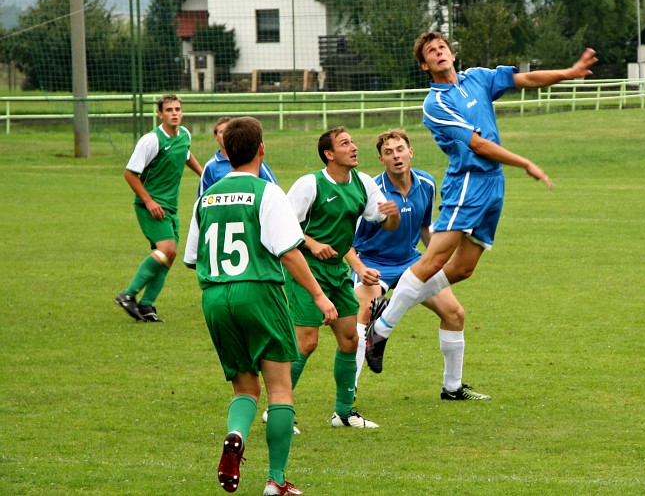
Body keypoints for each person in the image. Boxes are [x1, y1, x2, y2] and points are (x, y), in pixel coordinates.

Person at [366, 31, 597, 372]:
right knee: (435, 259)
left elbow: (526, 79)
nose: (439, 52)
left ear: (452, 53)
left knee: (463, 268)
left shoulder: (477, 78)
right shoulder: (435, 104)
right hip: (468, 182)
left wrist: (569, 72)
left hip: (493, 184)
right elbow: (477, 145)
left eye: (442, 47)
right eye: (431, 51)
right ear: (424, 65)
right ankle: (380, 331)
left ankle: (391, 309)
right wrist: (525, 162)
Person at [184, 116, 337, 496]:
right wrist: (319, 296)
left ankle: (236, 434)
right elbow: (289, 252)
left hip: (215, 297)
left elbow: (191, 258)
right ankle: (276, 480)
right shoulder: (268, 193)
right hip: (258, 293)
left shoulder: (206, 197)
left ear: (225, 151)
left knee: (244, 388)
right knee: (280, 389)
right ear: (261, 149)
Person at [347, 129, 490, 401]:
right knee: (363, 315)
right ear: (381, 159)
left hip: (411, 261)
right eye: (388, 152)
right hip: (373, 263)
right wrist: (360, 269)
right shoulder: (371, 191)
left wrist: (438, 258)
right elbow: (348, 241)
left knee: (455, 314)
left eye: (400, 149)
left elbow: (425, 228)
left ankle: (452, 388)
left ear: (410, 152)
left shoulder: (426, 183)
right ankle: (348, 391)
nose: (396, 156)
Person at [285, 126, 400, 429]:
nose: (354, 147)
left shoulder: (363, 183)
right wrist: (312, 244)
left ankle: (344, 414)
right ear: (329, 154)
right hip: (305, 269)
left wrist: (393, 215)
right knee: (306, 342)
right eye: (345, 143)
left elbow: (387, 223)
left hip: (337, 271)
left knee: (350, 340)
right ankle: (278, 410)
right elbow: (282, 226)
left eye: (353, 142)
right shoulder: (309, 184)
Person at [115, 94, 203, 322]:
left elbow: (186, 154)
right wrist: (149, 201)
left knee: (169, 256)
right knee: (167, 249)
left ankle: (146, 305)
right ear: (160, 114)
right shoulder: (151, 140)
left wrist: (204, 174)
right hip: (151, 207)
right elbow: (130, 174)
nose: (174, 113)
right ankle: (128, 295)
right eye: (169, 110)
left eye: (177, 109)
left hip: (171, 207)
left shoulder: (185, 135)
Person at [199, 116, 278, 197]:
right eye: (221, 132)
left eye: (227, 132)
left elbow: (273, 189)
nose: (225, 135)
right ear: (215, 136)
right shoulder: (210, 166)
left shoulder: (253, 160)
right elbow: (203, 197)